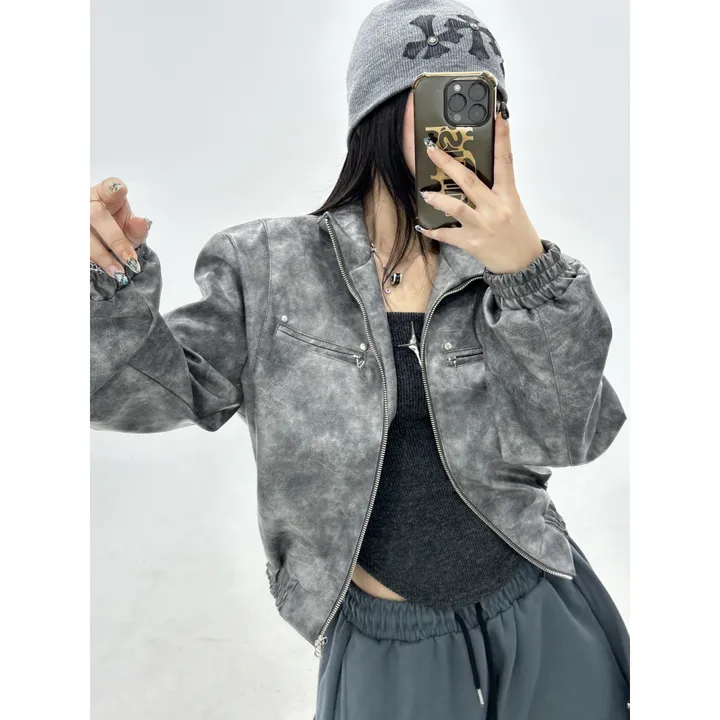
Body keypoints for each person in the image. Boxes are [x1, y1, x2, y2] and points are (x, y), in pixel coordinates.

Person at [89, 1, 630, 717]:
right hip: (388, 642)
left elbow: (569, 439)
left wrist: (526, 273)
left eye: (489, 103)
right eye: (446, 96)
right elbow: (138, 394)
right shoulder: (273, 267)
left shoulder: (513, 276)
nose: (470, 124)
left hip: (542, 606)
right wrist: (104, 293)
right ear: (377, 108)